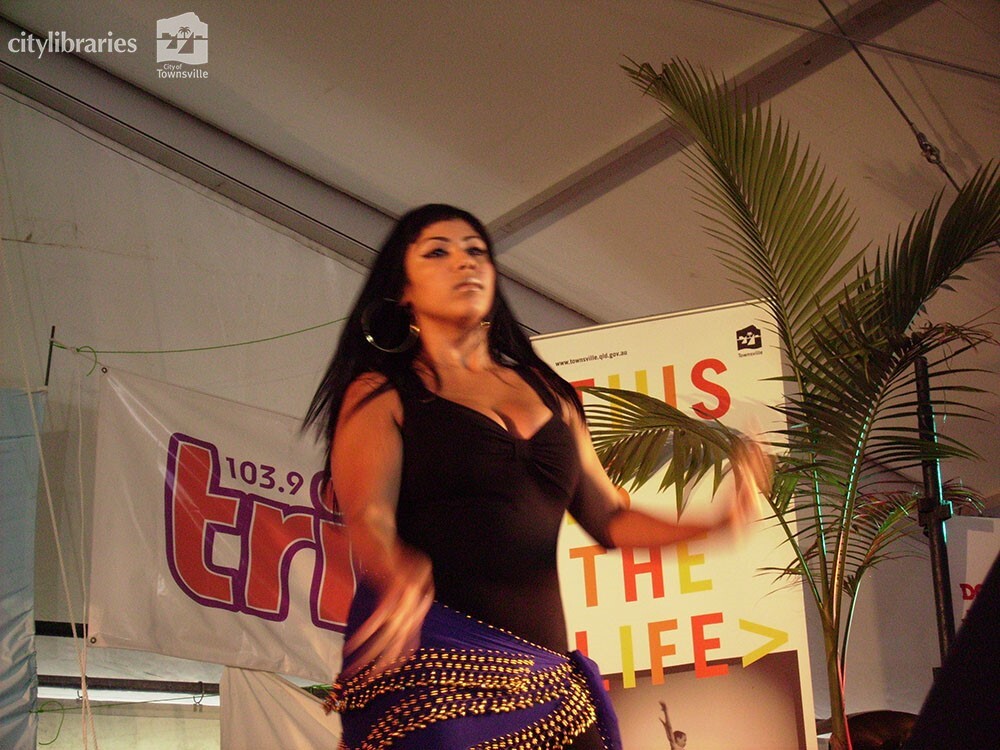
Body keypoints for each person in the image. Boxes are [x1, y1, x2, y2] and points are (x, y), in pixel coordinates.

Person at [304, 204, 769, 749]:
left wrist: (712, 526)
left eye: (476, 251)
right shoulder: (382, 394)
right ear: (402, 290)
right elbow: (368, 513)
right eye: (438, 252)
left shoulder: (552, 394)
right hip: (438, 667)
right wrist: (396, 566)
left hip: (549, 681)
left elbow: (609, 518)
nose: (464, 263)